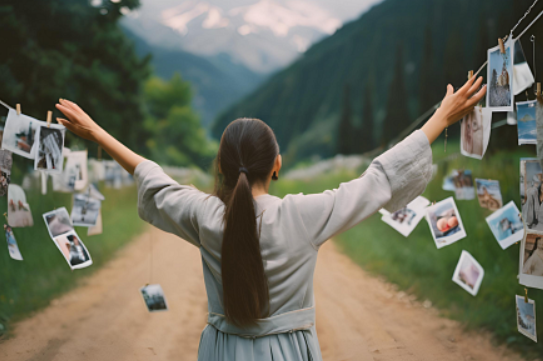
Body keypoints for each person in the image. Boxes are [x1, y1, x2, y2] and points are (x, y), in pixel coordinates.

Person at [55, 75, 486, 361]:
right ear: (276, 164)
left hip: (222, 350)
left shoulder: (204, 216)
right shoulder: (304, 214)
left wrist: (96, 132)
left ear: (220, 167)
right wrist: (440, 119)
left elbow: (152, 175)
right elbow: (378, 179)